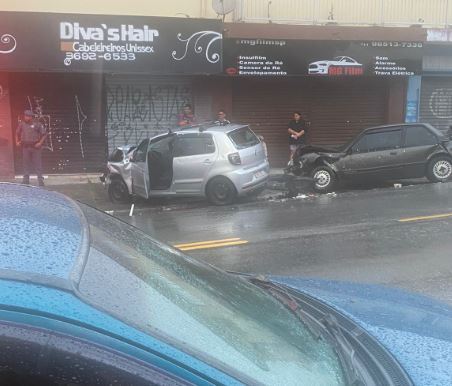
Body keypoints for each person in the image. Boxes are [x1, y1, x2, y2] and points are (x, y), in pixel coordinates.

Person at [15, 110, 47, 186]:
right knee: (26, 164)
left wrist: (40, 143)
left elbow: (44, 134)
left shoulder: (37, 124)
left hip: (35, 147)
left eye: (28, 116)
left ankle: (40, 180)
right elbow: (17, 133)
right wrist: (17, 141)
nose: (26, 117)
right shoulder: (22, 124)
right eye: (25, 116)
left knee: (37, 164)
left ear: (31, 117)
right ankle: (26, 180)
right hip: (25, 147)